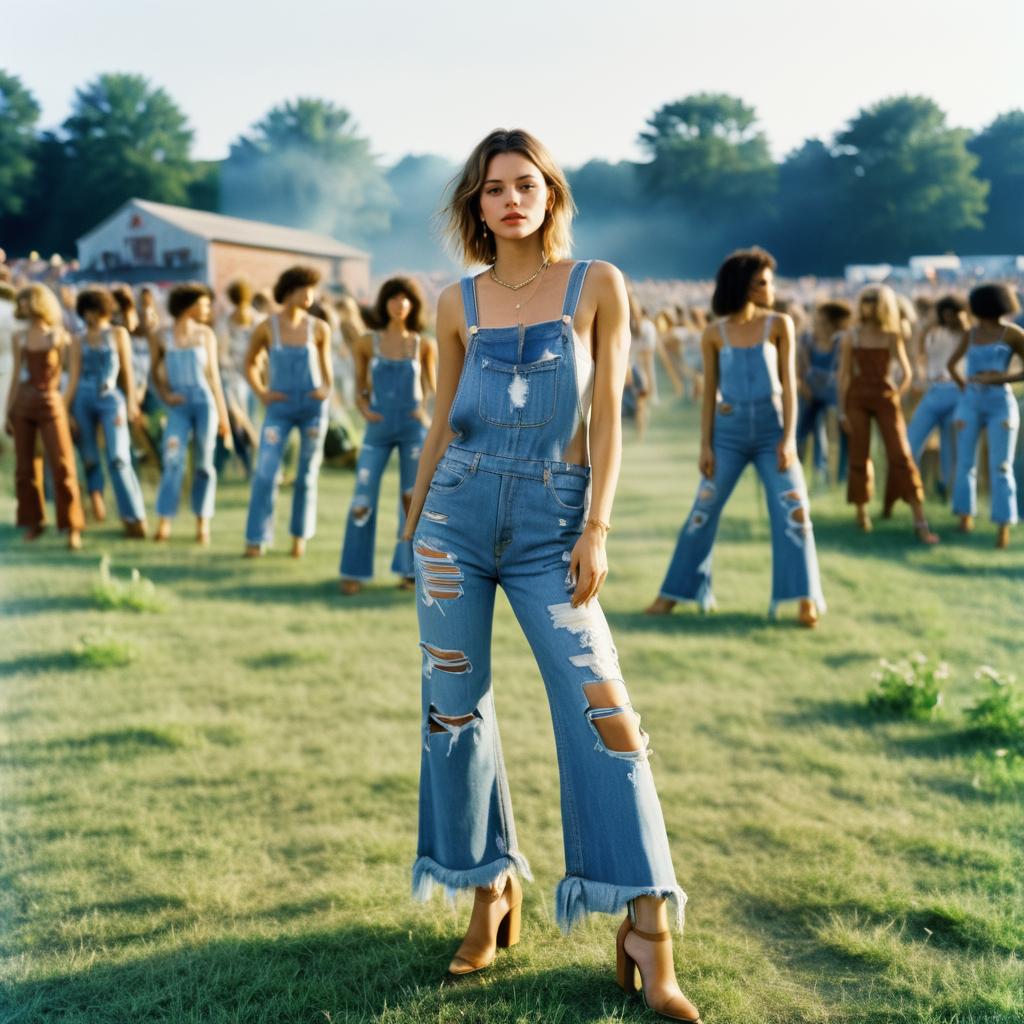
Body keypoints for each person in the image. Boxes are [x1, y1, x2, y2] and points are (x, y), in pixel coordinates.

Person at [401, 128, 700, 1023]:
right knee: (454, 714)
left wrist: (597, 528)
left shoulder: (596, 284)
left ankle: (649, 929)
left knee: (606, 713)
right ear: (476, 207)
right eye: (493, 189)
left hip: (553, 528)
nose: (510, 199)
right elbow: (440, 419)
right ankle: (488, 890)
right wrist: (415, 520)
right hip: (453, 524)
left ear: (550, 194)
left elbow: (605, 411)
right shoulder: (455, 302)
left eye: (525, 184)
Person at [646, 248, 824, 627]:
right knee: (701, 512)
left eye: (769, 281)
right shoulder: (715, 332)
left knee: (794, 510)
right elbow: (709, 391)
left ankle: (804, 596)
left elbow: (790, 386)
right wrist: (705, 444)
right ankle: (673, 593)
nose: (770, 288)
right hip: (726, 434)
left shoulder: (779, 325)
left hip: (772, 431)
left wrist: (790, 438)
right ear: (743, 284)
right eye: (762, 281)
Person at [338, 277, 436, 591]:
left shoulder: (424, 344)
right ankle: (353, 570)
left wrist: (425, 415)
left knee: (412, 498)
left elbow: (432, 389)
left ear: (413, 305)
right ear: (384, 303)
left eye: (405, 298)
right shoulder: (368, 342)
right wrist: (365, 410)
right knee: (363, 496)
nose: (399, 303)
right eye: (393, 298)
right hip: (378, 427)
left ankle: (408, 570)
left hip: (412, 428)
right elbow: (359, 386)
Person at [243, 266, 333, 558]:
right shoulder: (267, 327)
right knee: (265, 473)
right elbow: (249, 364)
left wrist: (324, 391)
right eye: (302, 289)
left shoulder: (319, 328)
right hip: (278, 409)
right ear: (288, 292)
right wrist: (262, 392)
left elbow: (328, 372)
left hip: (312, 409)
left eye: (312, 289)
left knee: (307, 475)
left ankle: (299, 539)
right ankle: (257, 539)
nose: (309, 295)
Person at [837, 285, 939, 542]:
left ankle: (919, 519)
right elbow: (844, 375)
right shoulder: (853, 334)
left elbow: (907, 371)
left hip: (885, 396)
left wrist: (897, 392)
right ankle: (861, 512)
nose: (868, 305)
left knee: (901, 455)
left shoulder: (892, 335)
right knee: (859, 454)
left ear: (883, 304)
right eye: (865, 300)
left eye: (873, 301)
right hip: (857, 397)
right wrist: (841, 411)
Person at [149, 283, 230, 544]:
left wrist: (224, 419)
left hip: (205, 403)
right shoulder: (162, 335)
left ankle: (202, 522)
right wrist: (165, 395)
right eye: (204, 303)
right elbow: (154, 373)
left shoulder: (206, 335)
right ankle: (165, 521)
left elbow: (214, 379)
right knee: (173, 459)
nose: (208, 309)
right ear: (189, 305)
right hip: (178, 406)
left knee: (204, 464)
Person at [4, 283, 84, 548]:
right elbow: (17, 375)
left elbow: (71, 375)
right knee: (25, 468)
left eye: (27, 301)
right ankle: (34, 522)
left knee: (62, 464)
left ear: (39, 303)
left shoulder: (59, 336)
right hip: (24, 404)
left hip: (52, 402)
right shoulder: (20, 337)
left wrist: (65, 400)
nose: (23, 306)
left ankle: (71, 525)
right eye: (21, 302)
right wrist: (7, 411)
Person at [65, 288, 147, 536]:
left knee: (119, 457)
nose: (91, 316)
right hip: (83, 398)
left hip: (111, 397)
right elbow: (73, 376)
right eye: (87, 311)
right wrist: (64, 407)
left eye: (95, 310)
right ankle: (97, 505)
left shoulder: (118, 333)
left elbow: (128, 373)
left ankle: (134, 515)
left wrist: (132, 402)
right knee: (89, 456)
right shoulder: (78, 339)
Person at [948, 284, 1024, 548]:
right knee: (965, 462)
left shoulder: (1013, 334)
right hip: (971, 402)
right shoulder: (970, 334)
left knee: (1001, 465)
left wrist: (1001, 378)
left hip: (1000, 403)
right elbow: (951, 364)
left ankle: (1003, 523)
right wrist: (966, 386)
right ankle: (965, 515)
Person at [906, 295, 967, 500]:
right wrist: (928, 324)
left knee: (951, 449)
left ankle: (945, 489)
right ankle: (914, 487)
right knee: (911, 442)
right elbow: (918, 351)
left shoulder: (968, 334)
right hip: (934, 390)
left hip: (957, 391)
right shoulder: (934, 333)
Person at [795, 300, 851, 485]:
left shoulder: (842, 341)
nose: (818, 325)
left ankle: (836, 477)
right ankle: (796, 472)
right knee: (801, 434)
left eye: (822, 322)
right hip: (810, 393)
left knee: (834, 435)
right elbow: (800, 367)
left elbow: (843, 372)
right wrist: (804, 386)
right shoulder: (806, 339)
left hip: (833, 394)